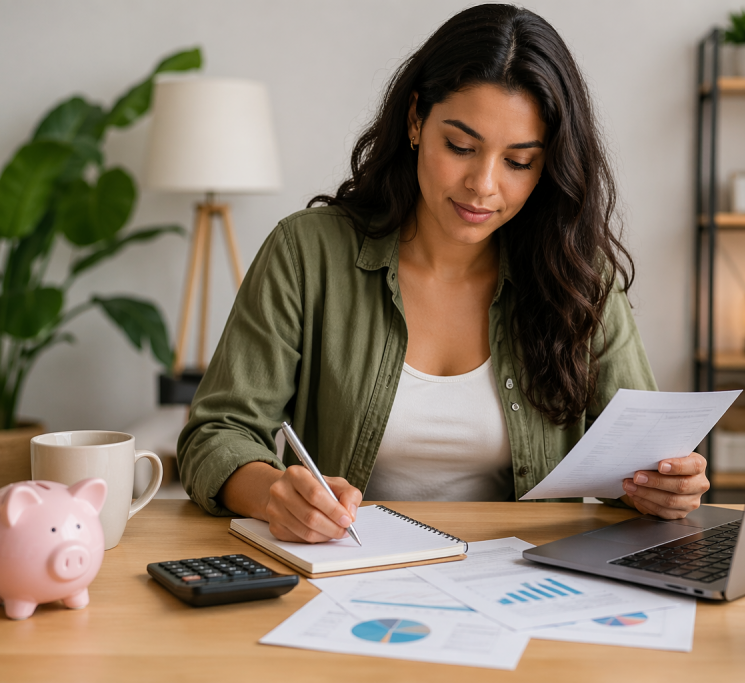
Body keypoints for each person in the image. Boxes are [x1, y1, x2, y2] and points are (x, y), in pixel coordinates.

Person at [177, 4, 709, 543]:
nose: (483, 184)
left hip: (526, 586)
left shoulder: (578, 274)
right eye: (460, 147)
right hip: (348, 580)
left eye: (519, 162)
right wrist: (274, 494)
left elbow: (648, 452)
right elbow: (216, 433)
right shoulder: (307, 253)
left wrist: (665, 485)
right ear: (415, 120)